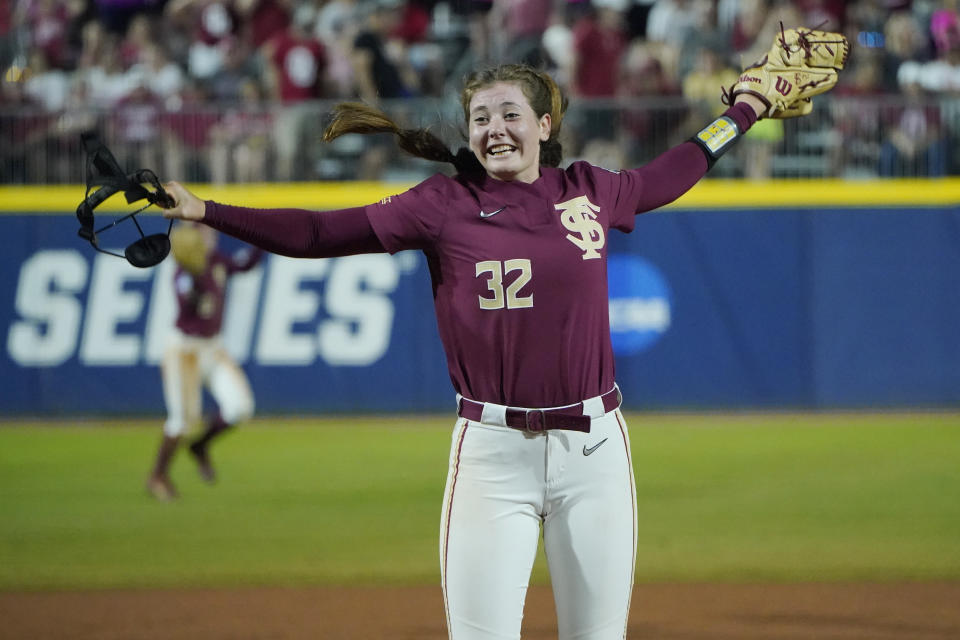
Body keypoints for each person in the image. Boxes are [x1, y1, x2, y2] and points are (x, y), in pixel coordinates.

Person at [158, 63, 768, 635]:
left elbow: (677, 168)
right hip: (493, 456)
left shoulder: (590, 189)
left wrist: (745, 109)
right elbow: (320, 233)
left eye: (509, 114)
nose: (494, 129)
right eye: (480, 117)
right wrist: (204, 210)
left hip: (595, 452)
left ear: (543, 126)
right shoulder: (443, 205)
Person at [146, 222, 264, 501]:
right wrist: (196, 274)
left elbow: (244, 266)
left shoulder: (216, 261)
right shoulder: (185, 270)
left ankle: (199, 447)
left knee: (239, 407)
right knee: (183, 421)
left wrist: (265, 241)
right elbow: (190, 303)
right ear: (194, 237)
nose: (212, 235)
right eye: (205, 231)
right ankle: (157, 475)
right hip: (184, 350)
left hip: (213, 348)